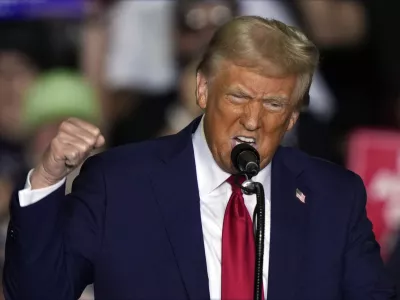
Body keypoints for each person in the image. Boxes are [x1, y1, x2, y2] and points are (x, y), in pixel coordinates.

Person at [4, 16, 395, 300]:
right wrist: (46, 180)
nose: (252, 120)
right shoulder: (120, 183)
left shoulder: (333, 196)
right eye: (238, 96)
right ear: (204, 90)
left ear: (293, 116)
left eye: (274, 103)